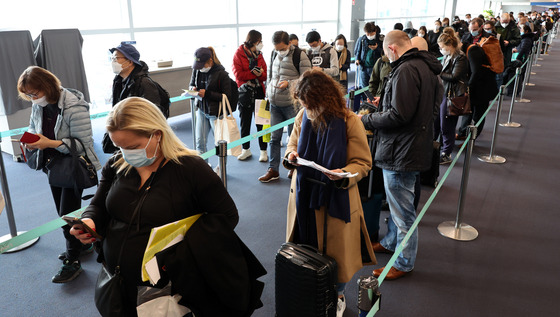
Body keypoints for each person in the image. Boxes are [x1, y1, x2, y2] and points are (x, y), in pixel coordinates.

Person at [70, 97, 264, 316]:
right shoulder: (117, 165)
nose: (125, 154)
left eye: (132, 147)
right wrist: (89, 220)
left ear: (157, 134)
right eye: (119, 146)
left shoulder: (191, 169)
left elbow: (227, 216)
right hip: (116, 280)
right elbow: (98, 204)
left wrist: (179, 253)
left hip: (168, 287)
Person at [283, 69, 376, 317]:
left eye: (310, 103)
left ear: (324, 98)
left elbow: (363, 163)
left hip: (335, 198)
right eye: (302, 103)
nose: (306, 108)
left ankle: (337, 296)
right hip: (304, 195)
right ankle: (311, 291)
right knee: (305, 248)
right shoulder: (304, 115)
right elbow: (291, 144)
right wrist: (290, 156)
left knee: (336, 258)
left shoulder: (348, 120)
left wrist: (343, 173)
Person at [361, 30, 442, 280]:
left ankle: (404, 262)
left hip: (401, 150)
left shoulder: (406, 70)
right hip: (410, 146)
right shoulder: (425, 67)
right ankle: (390, 243)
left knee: (402, 212)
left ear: (392, 49)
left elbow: (399, 115)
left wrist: (367, 119)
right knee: (399, 206)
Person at [17, 66, 101, 283]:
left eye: (34, 93)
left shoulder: (74, 106)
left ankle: (73, 260)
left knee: (68, 213)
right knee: (62, 212)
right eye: (28, 95)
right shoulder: (39, 105)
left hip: (72, 165)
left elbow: (83, 144)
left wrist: (50, 143)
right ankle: (84, 244)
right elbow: (34, 127)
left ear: (47, 86)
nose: (32, 98)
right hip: (52, 164)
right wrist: (31, 140)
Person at [258, 31, 311, 182]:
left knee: (294, 139)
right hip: (274, 103)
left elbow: (306, 79)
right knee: (274, 138)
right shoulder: (274, 54)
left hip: (291, 105)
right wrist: (268, 90)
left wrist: (290, 83)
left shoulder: (299, 55)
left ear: (289, 44)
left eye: (282, 49)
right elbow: (270, 75)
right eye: (276, 49)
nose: (279, 52)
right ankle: (273, 169)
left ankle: (292, 166)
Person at [189, 47, 232, 158]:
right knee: (200, 142)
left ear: (210, 62)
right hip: (202, 110)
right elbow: (191, 83)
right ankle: (204, 169)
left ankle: (221, 168)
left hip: (217, 113)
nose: (200, 68)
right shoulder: (197, 70)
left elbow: (227, 96)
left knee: (220, 144)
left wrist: (207, 94)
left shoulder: (222, 74)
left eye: (203, 65)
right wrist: (193, 89)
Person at [232, 30, 268, 162]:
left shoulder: (260, 55)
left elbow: (265, 75)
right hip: (245, 92)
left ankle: (263, 151)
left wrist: (260, 74)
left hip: (259, 91)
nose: (261, 44)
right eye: (260, 41)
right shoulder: (239, 53)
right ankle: (245, 149)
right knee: (245, 122)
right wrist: (255, 74)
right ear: (253, 41)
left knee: (261, 123)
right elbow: (238, 74)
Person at [456, 32, 500, 141]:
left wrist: (468, 88)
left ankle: (471, 140)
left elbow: (476, 72)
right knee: (468, 111)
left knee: (478, 116)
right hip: (476, 86)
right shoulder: (468, 50)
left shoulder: (472, 50)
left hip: (483, 88)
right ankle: (462, 133)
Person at [434, 32, 468, 164]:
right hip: (443, 92)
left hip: (452, 95)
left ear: (449, 45)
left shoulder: (460, 57)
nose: (440, 50)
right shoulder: (448, 56)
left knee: (446, 125)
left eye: (441, 47)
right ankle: (436, 148)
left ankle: (446, 153)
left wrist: (439, 73)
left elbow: (455, 76)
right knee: (437, 123)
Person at [109, 43, 165, 115]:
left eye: (116, 58)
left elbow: (152, 115)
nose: (112, 62)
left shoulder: (144, 83)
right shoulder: (118, 81)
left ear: (129, 62)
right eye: (112, 58)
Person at [354, 22, 383, 88]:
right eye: (367, 33)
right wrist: (357, 59)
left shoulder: (380, 39)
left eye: (371, 33)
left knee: (375, 86)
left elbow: (384, 52)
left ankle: (373, 98)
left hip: (375, 67)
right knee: (364, 87)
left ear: (375, 31)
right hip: (364, 67)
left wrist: (376, 49)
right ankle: (366, 98)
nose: (369, 35)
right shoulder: (362, 39)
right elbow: (358, 51)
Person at [496, 13, 521, 86]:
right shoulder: (495, 27)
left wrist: (509, 42)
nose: (505, 24)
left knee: (505, 68)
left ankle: (502, 86)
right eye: (503, 22)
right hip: (496, 51)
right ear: (500, 20)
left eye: (506, 22)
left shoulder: (514, 28)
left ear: (509, 20)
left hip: (507, 52)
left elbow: (518, 40)